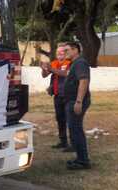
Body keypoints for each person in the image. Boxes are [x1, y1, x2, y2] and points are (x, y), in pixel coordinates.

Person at [61, 42, 91, 170]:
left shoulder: (80, 63)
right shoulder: (74, 63)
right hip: (72, 101)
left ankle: (83, 161)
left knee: (76, 130)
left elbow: (83, 81)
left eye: (67, 50)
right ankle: (80, 158)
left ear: (75, 50)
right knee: (75, 130)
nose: (64, 53)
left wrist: (79, 101)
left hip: (76, 101)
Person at [40, 45, 72, 150]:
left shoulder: (70, 62)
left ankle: (73, 143)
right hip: (57, 95)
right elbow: (44, 75)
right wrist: (43, 69)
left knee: (70, 119)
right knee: (60, 119)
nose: (59, 54)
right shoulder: (54, 63)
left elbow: (65, 74)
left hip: (68, 95)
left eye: (62, 52)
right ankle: (63, 141)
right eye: (58, 52)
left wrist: (51, 69)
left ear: (66, 53)